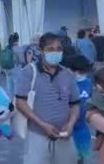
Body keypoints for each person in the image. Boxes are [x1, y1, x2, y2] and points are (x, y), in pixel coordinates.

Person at [15, 32, 80, 163]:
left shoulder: (67, 74)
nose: (55, 52)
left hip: (64, 136)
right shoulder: (29, 72)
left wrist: (71, 124)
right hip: (37, 135)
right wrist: (42, 125)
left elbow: (75, 104)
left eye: (59, 49)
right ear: (41, 51)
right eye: (50, 49)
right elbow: (20, 102)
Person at [68, 55, 93, 164]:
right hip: (68, 126)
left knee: (82, 157)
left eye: (82, 72)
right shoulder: (67, 84)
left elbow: (91, 100)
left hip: (82, 127)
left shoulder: (88, 82)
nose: (79, 75)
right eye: (77, 72)